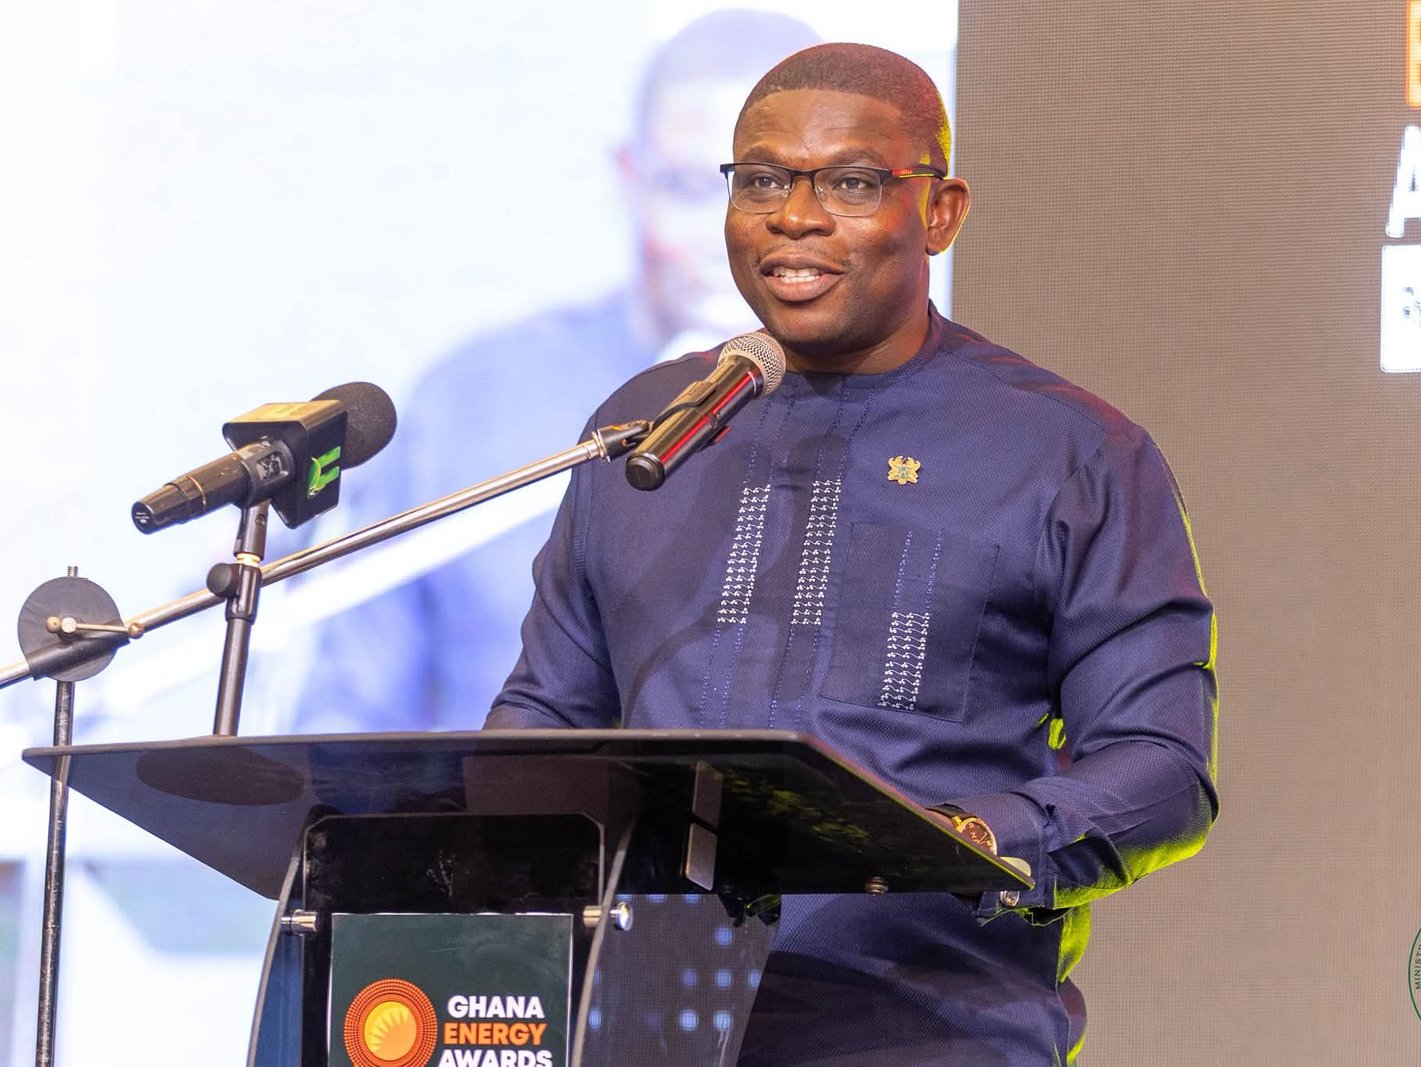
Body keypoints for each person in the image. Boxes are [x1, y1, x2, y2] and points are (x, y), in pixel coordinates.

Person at [489, 42, 1219, 1066]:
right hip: (638, 1024)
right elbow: (547, 714)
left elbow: (1161, 768)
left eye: (851, 183)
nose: (794, 215)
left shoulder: (1069, 452)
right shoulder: (647, 428)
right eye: (761, 180)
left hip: (923, 1027)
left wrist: (972, 838)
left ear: (940, 212)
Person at [289, 10, 820, 733]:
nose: (729, 233)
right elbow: (350, 710)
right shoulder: (475, 398)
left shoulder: (886, 416)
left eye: (770, 188)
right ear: (631, 182)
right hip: (491, 798)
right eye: (690, 189)